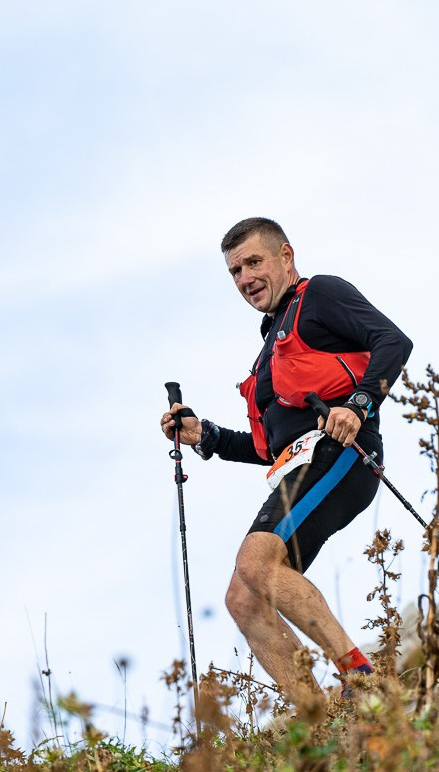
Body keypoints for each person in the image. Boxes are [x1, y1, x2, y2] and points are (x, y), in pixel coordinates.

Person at [161, 217, 413, 702]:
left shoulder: (319, 295)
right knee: (243, 597)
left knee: (256, 562)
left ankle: (363, 681)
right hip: (299, 466)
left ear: (286, 256)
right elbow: (265, 450)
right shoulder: (268, 342)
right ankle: (317, 720)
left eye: (253, 262)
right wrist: (204, 435)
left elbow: (393, 342)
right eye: (235, 271)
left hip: (343, 453)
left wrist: (359, 405)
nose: (245, 277)